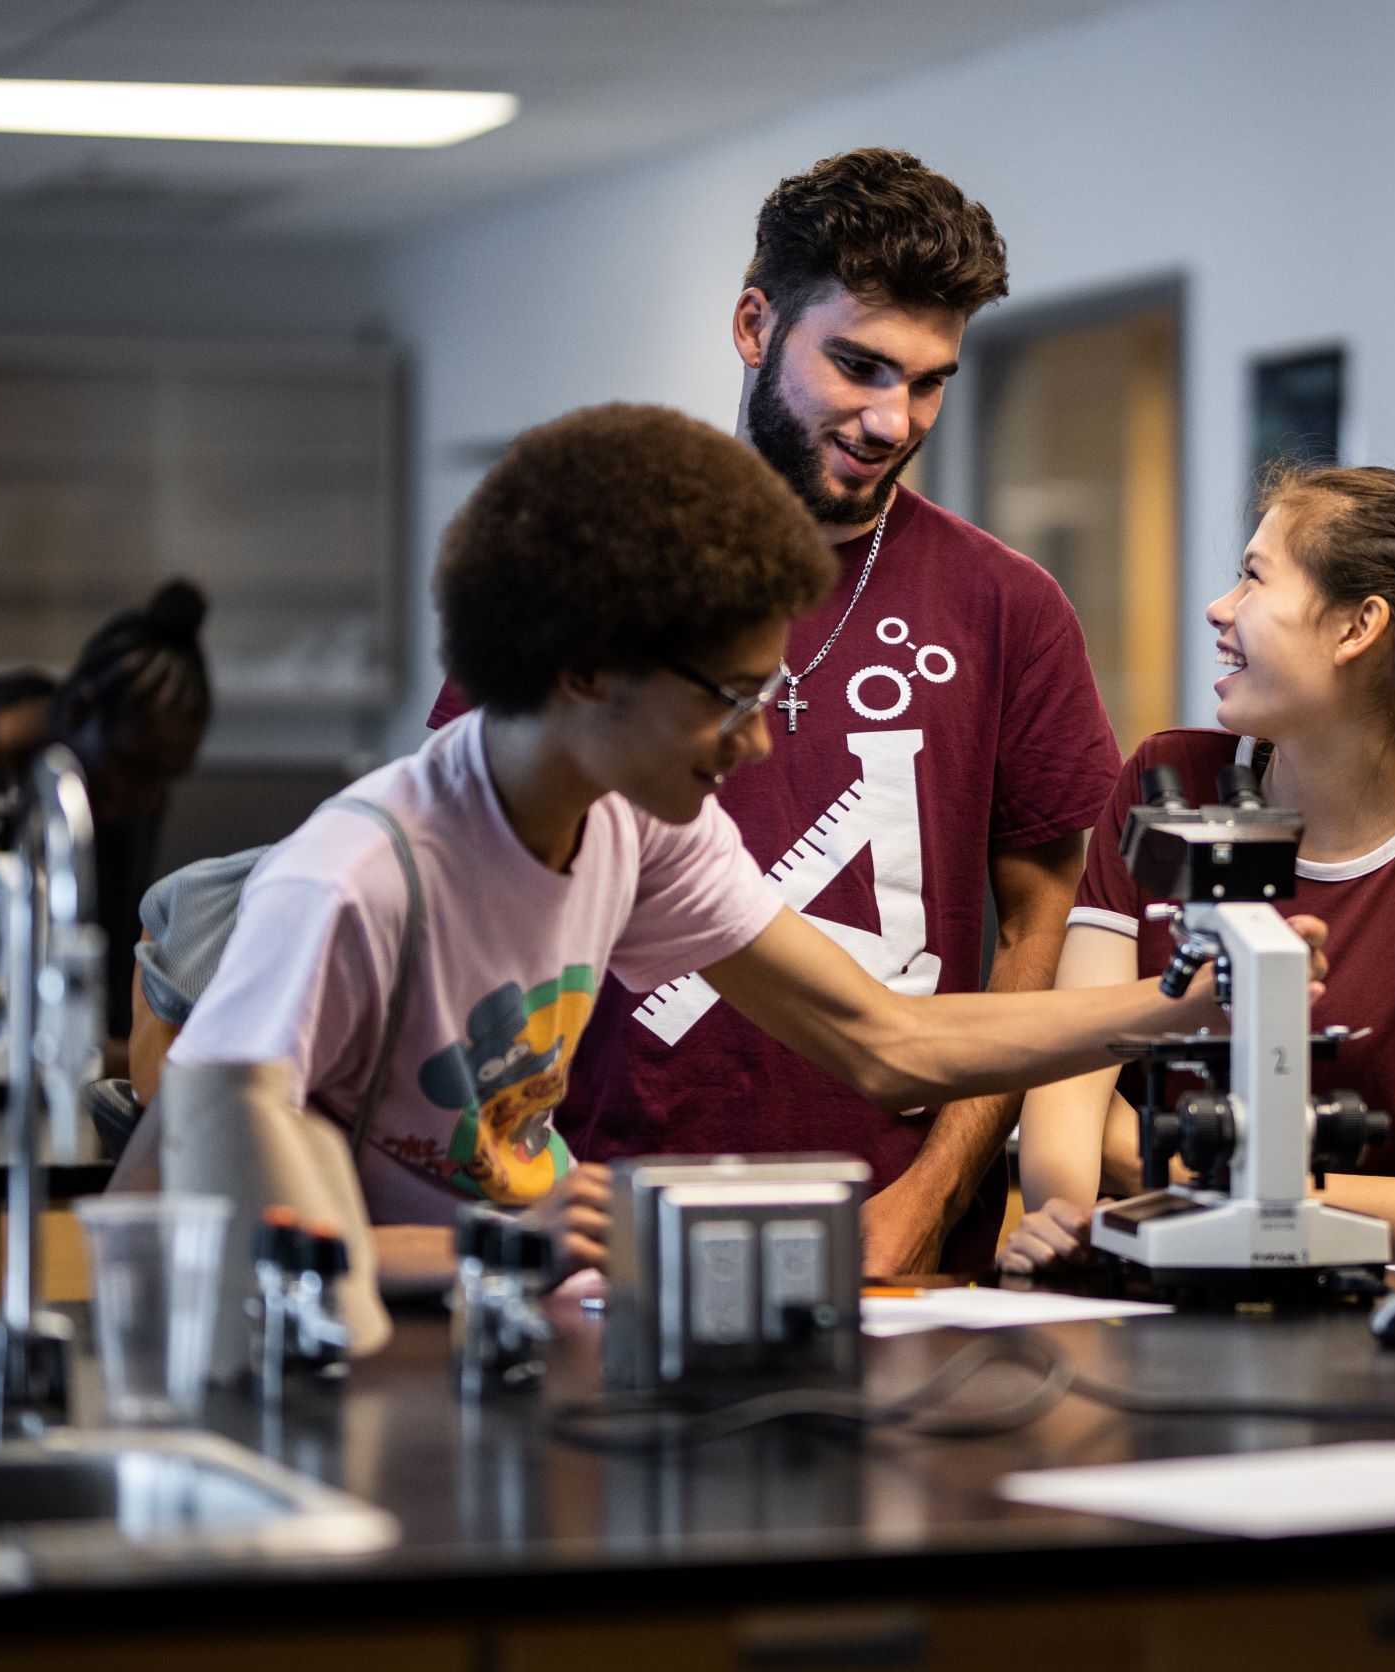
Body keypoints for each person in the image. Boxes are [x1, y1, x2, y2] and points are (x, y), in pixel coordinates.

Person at [167, 405, 1317, 1285]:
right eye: (728, 696)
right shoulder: (352, 881)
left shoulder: (634, 827)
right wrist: (495, 1243)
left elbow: (887, 1038)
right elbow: (180, 1227)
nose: (760, 739)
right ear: (585, 674)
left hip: (537, 1328)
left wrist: (1174, 1011)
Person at [427, 149, 1122, 1275]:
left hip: (889, 1238)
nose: (894, 419)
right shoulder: (593, 573)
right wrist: (522, 1202)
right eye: (859, 365)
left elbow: (1037, 926)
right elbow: (472, 908)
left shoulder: (1009, 606)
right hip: (601, 1221)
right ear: (755, 324)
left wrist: (929, 1199)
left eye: (931, 379)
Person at [1004, 465, 1395, 1273]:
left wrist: (1144, 1162)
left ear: (1357, 627)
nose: (1220, 608)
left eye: (1253, 577)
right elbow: (1068, 1084)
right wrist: (1067, 1218)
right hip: (1155, 1288)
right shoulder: (1167, 780)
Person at [0, 578, 212, 1050]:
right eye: (135, 770)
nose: (145, 799)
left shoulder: (122, 806)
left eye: (163, 781)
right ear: (79, 710)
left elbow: (110, 1005)